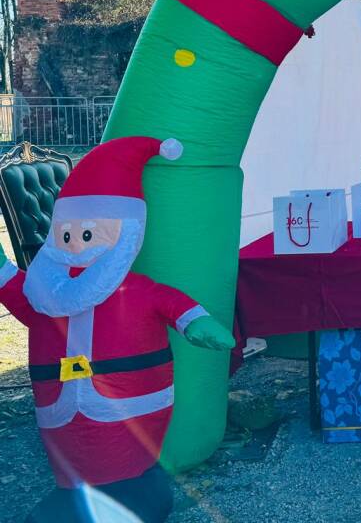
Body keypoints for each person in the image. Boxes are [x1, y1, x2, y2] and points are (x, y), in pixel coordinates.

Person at [0, 137, 235, 523]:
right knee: (75, 475)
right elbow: (21, 298)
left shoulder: (134, 291)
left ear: (124, 234)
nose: (75, 245)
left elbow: (169, 302)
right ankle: (76, 496)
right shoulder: (46, 295)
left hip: (131, 414)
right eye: (66, 235)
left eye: (88, 235)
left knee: (135, 480)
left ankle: (132, 495)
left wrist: (197, 321)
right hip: (63, 418)